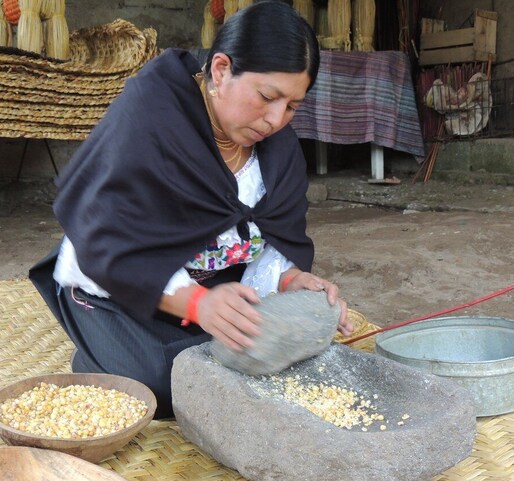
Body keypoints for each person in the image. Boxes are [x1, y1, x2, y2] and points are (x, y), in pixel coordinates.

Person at [29, 0, 354, 419]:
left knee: (274, 361)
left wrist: (290, 279)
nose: (276, 119)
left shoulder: (276, 146)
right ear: (220, 70)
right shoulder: (150, 119)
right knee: (165, 386)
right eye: (267, 97)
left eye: (292, 106)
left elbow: (268, 234)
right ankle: (101, 352)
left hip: (215, 289)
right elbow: (102, 240)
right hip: (117, 285)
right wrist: (198, 305)